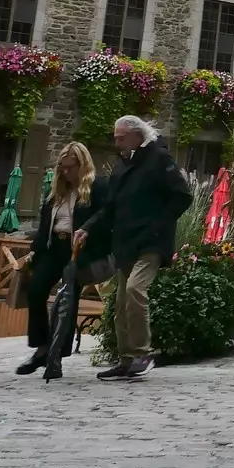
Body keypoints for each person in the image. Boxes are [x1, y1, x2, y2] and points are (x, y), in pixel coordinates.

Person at [74, 114, 194, 381]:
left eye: (121, 138)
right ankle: (126, 361)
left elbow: (182, 196)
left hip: (151, 242)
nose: (116, 142)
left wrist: (158, 225)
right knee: (120, 304)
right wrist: (87, 228)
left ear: (137, 136)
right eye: (115, 138)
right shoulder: (122, 166)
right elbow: (110, 207)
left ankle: (142, 354)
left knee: (134, 289)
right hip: (126, 243)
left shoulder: (159, 159)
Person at [19, 142, 96, 376]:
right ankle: (42, 348)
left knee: (66, 301)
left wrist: (88, 233)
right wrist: (35, 250)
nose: (66, 172)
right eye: (62, 167)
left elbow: (104, 217)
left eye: (70, 167)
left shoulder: (95, 189)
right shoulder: (55, 193)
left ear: (82, 166)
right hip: (53, 247)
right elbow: (44, 226)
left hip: (77, 249)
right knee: (36, 291)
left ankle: (57, 356)